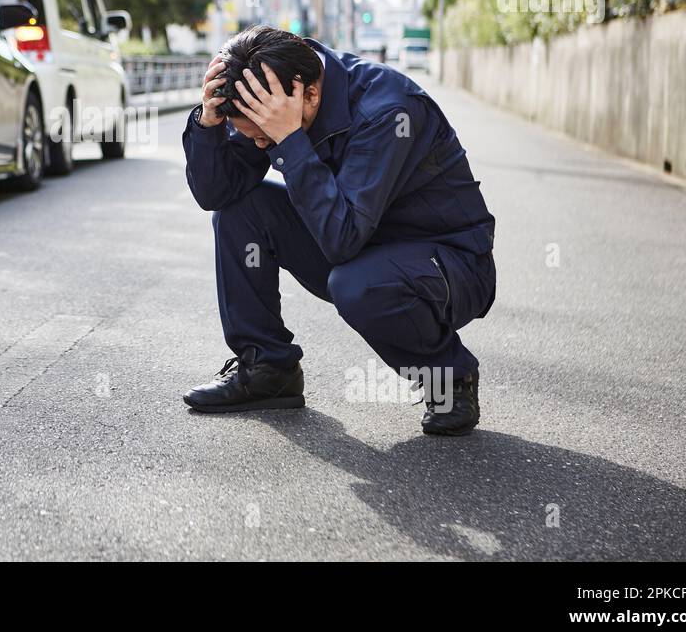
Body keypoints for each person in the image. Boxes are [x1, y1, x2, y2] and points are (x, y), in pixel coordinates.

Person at [181, 26, 496, 435]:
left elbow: (342, 239)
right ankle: (268, 370)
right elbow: (216, 193)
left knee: (357, 283)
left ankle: (448, 377)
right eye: (253, 137)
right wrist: (207, 124)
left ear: (308, 94)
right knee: (240, 210)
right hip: (361, 243)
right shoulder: (273, 98)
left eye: (263, 136)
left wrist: (289, 140)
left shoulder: (387, 111)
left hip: (446, 265)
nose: (260, 145)